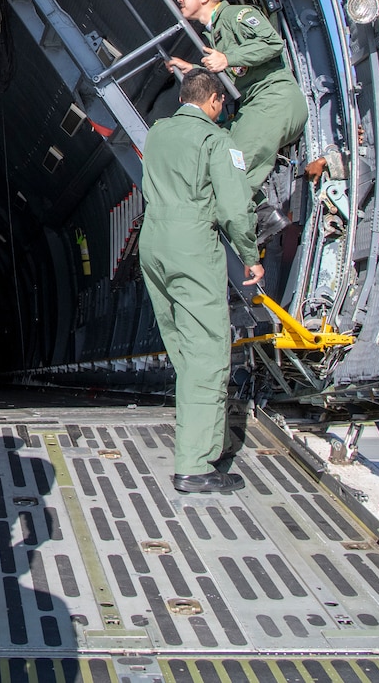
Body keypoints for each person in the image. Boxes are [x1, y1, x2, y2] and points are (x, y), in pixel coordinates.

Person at [140, 70, 262, 494]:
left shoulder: (157, 133)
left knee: (183, 349)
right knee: (208, 354)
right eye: (222, 104)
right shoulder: (216, 141)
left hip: (153, 241)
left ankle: (212, 435)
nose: (222, 111)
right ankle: (194, 465)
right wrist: (250, 255)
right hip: (192, 244)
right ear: (212, 100)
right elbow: (233, 206)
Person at [164, 0, 310, 203]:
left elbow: (272, 43)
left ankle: (250, 219)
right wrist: (194, 70)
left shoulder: (235, 16)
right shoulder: (214, 33)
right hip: (258, 106)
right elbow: (236, 72)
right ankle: (261, 214)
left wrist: (227, 59)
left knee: (228, 169)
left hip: (273, 100)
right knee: (219, 158)